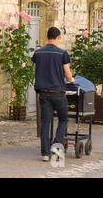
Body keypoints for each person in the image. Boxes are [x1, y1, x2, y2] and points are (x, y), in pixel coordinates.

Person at [31, 27, 75, 162]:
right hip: (58, 92)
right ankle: (56, 148)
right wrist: (72, 80)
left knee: (45, 122)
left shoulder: (38, 53)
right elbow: (67, 74)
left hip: (43, 93)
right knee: (63, 119)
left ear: (47, 36)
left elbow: (35, 71)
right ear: (58, 37)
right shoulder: (62, 53)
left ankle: (45, 154)